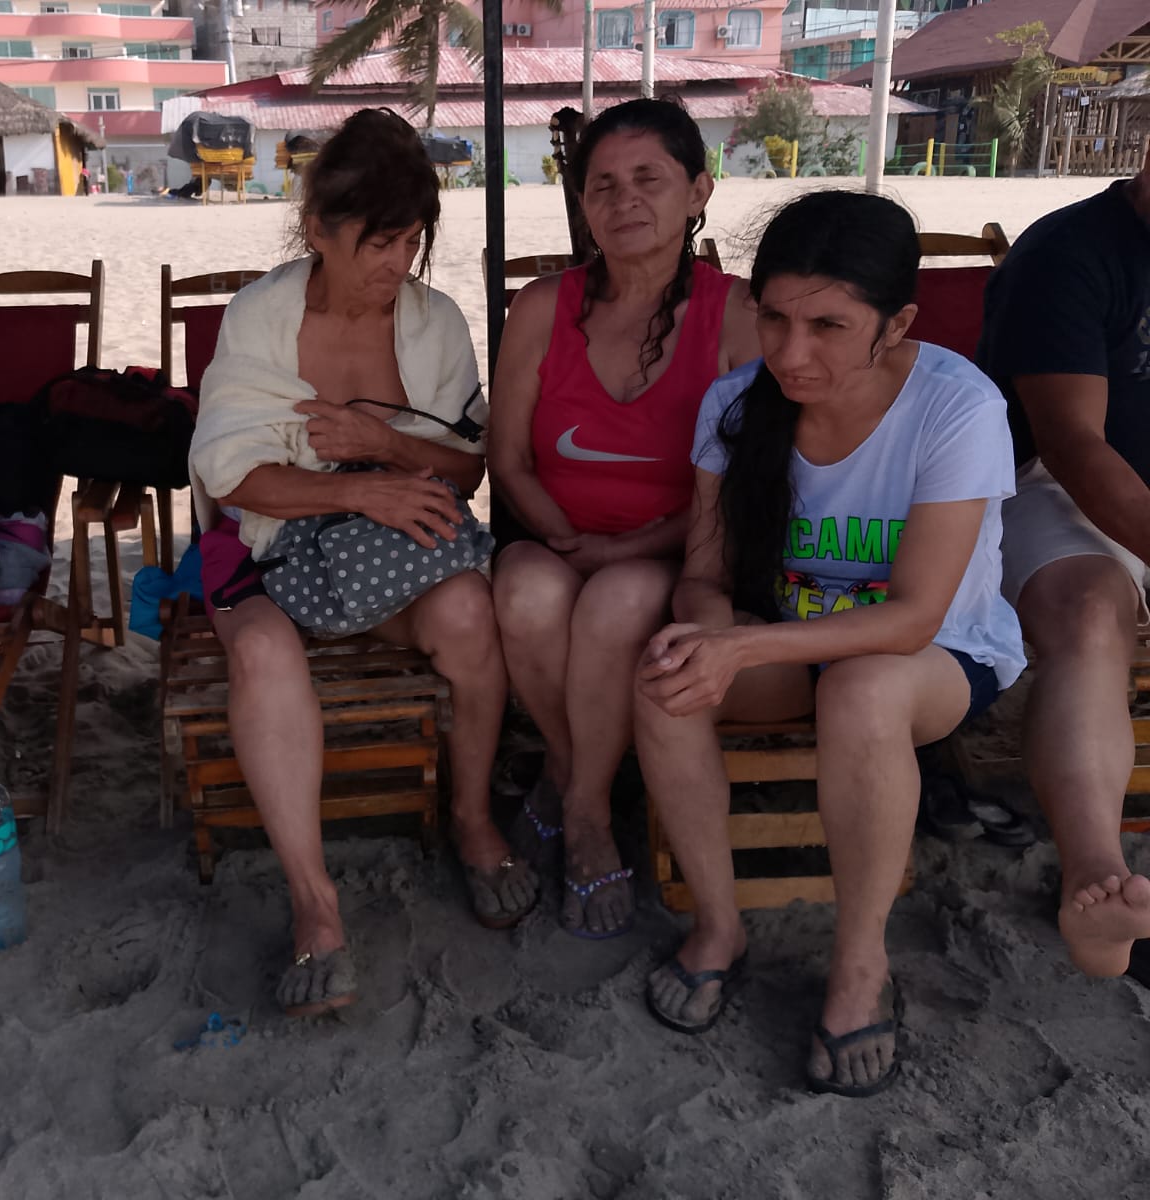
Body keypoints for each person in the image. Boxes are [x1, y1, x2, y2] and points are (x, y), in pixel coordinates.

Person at [633, 191, 1025, 1097]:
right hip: (787, 645)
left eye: (828, 326)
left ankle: (859, 965)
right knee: (662, 677)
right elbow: (703, 572)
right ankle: (718, 925)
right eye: (773, 318)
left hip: (937, 657)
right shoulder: (739, 404)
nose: (790, 352)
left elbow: (915, 617)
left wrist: (743, 649)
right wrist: (710, 634)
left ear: (899, 325)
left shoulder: (957, 408)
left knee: (862, 688)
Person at [188, 108, 533, 1017]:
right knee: (262, 650)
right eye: (378, 242)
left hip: (378, 556)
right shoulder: (261, 317)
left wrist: (384, 448)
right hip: (264, 538)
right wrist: (358, 492)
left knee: (468, 611)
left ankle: (471, 818)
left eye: (411, 241)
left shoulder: (433, 322)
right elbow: (232, 476)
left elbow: (468, 466)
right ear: (317, 230)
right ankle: (316, 901)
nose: (396, 264)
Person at [486, 99, 759, 938]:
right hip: (556, 535)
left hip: (680, 545)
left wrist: (625, 549)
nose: (623, 199)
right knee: (526, 592)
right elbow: (508, 457)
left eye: (649, 178)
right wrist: (564, 537)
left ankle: (585, 810)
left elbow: (740, 488)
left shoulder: (737, 314)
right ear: (581, 203)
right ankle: (578, 775)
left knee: (616, 600)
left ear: (698, 191)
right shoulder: (542, 306)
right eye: (601, 184)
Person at [977, 145, 1150, 980]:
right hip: (1055, 485)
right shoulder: (1069, 253)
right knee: (1086, 612)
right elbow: (1072, 443)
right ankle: (1094, 874)